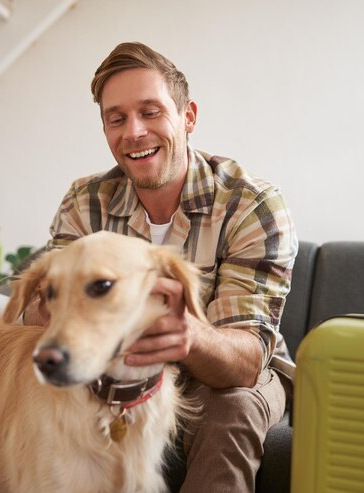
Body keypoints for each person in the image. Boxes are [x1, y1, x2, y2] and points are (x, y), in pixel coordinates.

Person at [36, 42, 297, 492]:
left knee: (231, 407)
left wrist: (187, 334)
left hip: (218, 377)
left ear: (188, 116)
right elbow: (38, 314)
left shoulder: (251, 204)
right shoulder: (85, 202)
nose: (134, 132)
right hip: (111, 369)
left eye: (151, 112)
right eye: (116, 118)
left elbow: (245, 362)